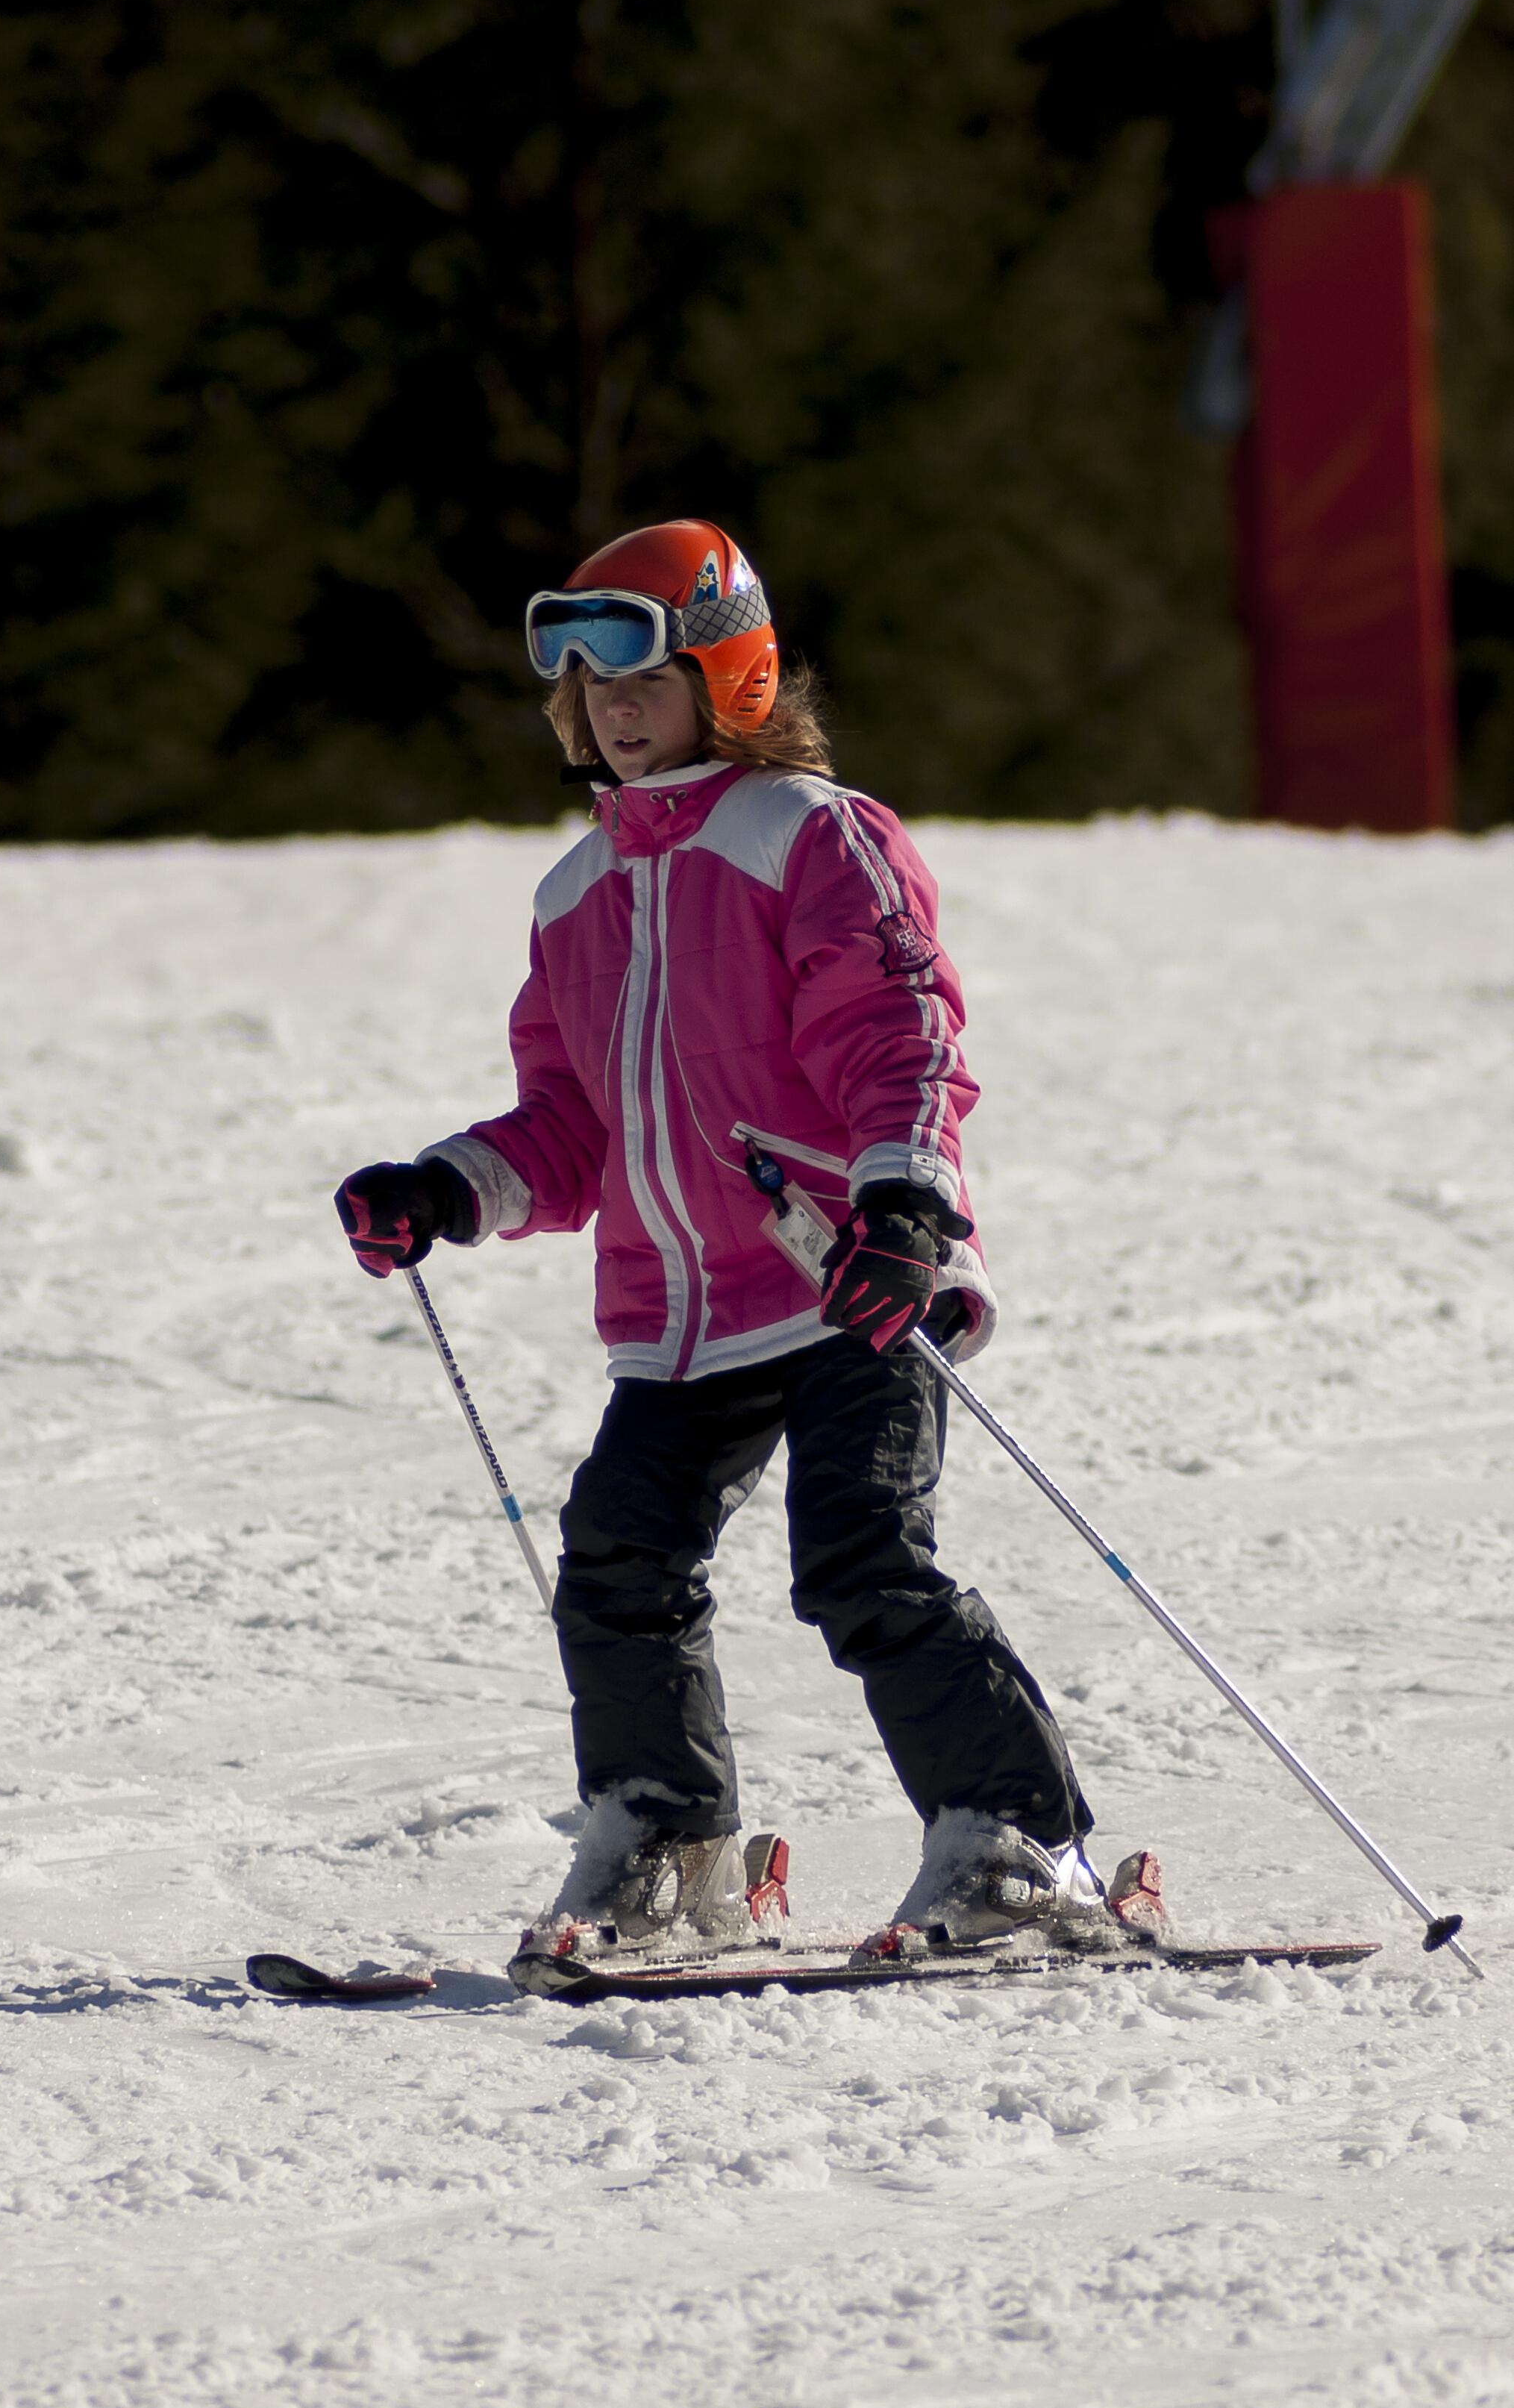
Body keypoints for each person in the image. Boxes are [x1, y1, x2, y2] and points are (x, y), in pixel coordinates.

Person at [336, 521, 1151, 1982]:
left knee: (862, 1560)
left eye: (635, 663)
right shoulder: (576, 893)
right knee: (616, 1563)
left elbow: (896, 1027)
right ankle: (668, 1844)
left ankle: (1019, 1842)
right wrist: (448, 1188)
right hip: (682, 1317)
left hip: (844, 1280)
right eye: (576, 675)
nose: (605, 700)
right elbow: (573, 1123)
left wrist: (908, 1208)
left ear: (729, 671)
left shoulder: (808, 835)